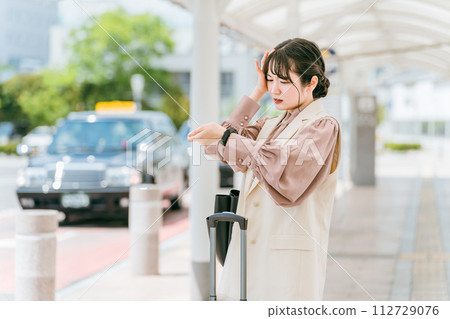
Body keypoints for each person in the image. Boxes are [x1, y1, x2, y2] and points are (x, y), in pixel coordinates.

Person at [187, 38, 341, 301]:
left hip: (288, 265)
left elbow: (287, 169)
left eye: (284, 81)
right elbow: (217, 148)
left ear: (311, 82)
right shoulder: (270, 125)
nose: (275, 89)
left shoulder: (323, 126)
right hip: (248, 252)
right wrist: (256, 93)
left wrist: (225, 137)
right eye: (270, 80)